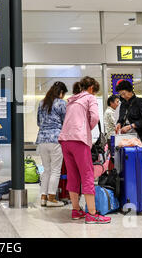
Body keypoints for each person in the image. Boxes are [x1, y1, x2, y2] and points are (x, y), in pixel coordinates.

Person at [59, 76, 111, 224]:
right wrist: (86, 129)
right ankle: (92, 214)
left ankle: (76, 210)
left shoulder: (72, 100)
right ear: (91, 88)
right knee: (87, 175)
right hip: (79, 140)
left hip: (65, 140)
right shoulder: (89, 97)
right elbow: (94, 117)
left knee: (73, 175)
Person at [35, 81, 68, 207]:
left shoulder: (42, 103)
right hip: (55, 139)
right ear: (61, 93)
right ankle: (52, 198)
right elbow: (66, 121)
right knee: (55, 170)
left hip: (42, 139)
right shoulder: (61, 103)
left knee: (46, 170)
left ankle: (43, 197)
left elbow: (39, 122)